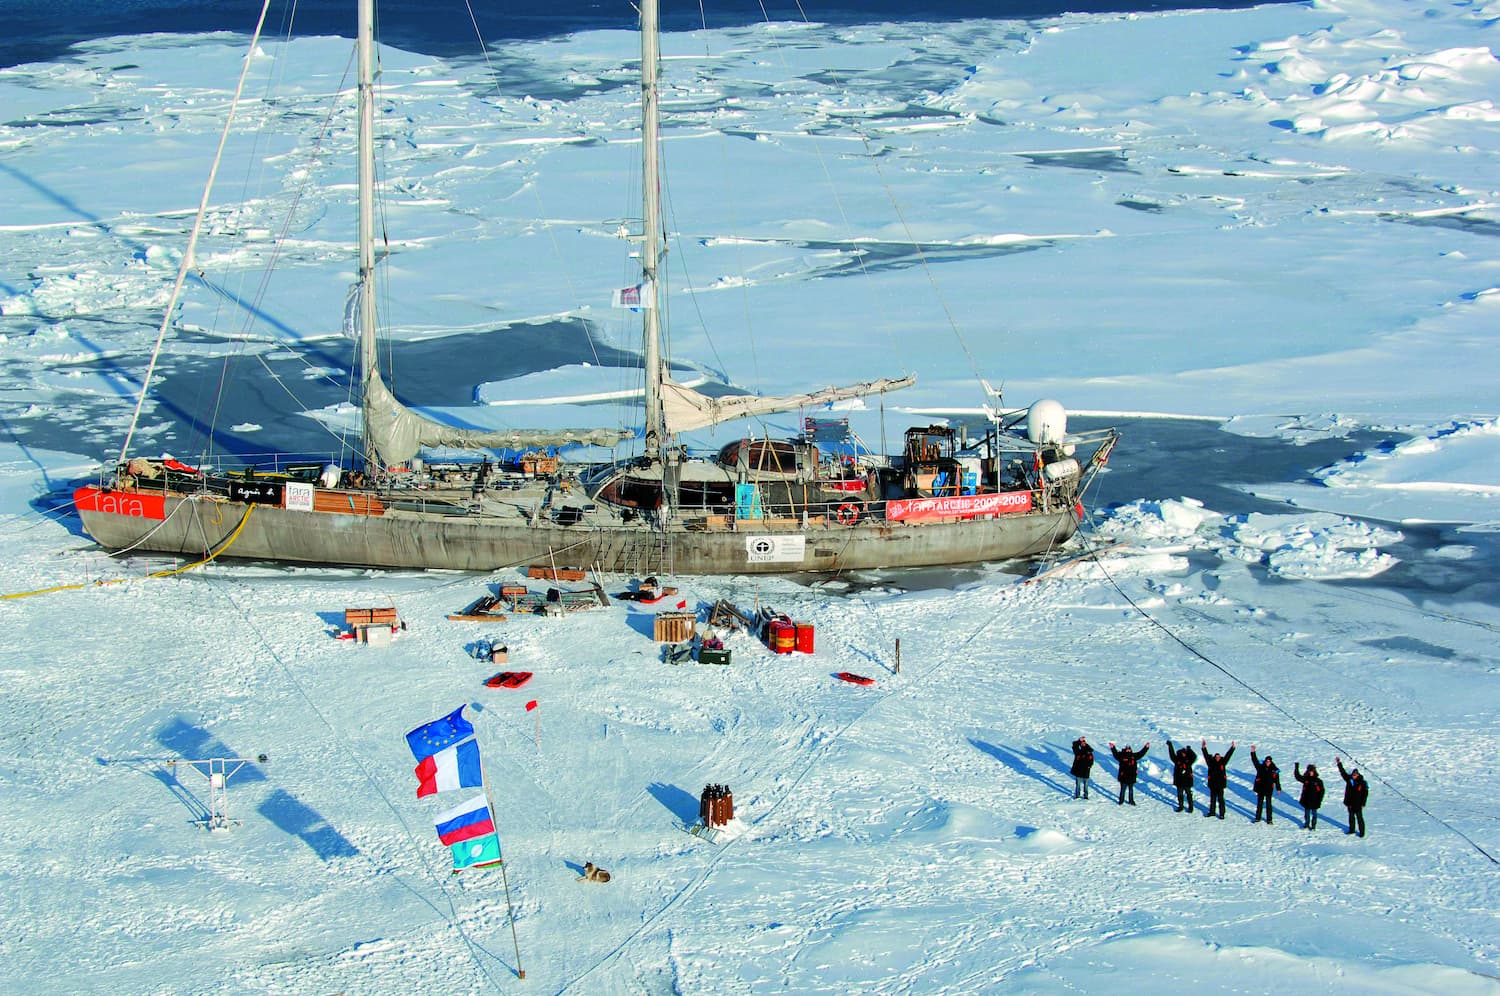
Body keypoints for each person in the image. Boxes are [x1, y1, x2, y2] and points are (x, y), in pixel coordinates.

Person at [1202, 740, 1235, 819]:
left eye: (1219, 757)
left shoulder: (1223, 762)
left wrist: (1232, 748)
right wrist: (1204, 748)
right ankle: (1212, 812)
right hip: (1212, 784)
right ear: (1214, 757)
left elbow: (1228, 755)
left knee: (1221, 799)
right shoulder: (1210, 763)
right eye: (1216, 757)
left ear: (1220, 757)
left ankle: (1222, 814)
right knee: (1212, 799)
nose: (1217, 758)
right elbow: (1206, 756)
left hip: (1220, 785)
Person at [1337, 758, 1369, 837]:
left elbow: (1365, 794)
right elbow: (1343, 772)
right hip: (1350, 803)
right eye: (1353, 775)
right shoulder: (1349, 780)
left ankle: (1362, 833)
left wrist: (1363, 803)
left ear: (1358, 775)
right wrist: (1339, 763)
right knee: (1351, 817)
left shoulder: (1362, 783)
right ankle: (1352, 830)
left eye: (1355, 775)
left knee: (1359, 818)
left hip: (1358, 803)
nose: (1354, 776)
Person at [1250, 746, 1281, 824]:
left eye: (1269, 761)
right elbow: (1255, 761)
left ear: (1271, 762)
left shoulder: (1274, 770)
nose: (1267, 762)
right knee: (1259, 804)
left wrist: (1278, 788)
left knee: (1268, 804)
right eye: (1267, 761)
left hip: (1269, 789)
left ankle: (1269, 820)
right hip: (1260, 788)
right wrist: (1253, 752)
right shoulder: (1260, 767)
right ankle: (1258, 818)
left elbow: (1277, 780)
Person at [1165, 739, 1197, 813]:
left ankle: (1191, 807)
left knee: (1188, 794)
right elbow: (1172, 755)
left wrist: (1189, 749)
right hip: (1179, 781)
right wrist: (1170, 746)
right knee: (1180, 794)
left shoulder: (1189, 761)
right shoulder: (1177, 760)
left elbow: (1194, 756)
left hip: (1187, 781)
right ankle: (1181, 806)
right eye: (1182, 753)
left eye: (1184, 753)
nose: (1183, 754)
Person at [1293, 762, 1325, 830]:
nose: (1311, 773)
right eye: (1309, 771)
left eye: (1312, 771)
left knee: (1314, 814)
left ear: (1314, 772)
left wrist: (1320, 799)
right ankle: (1306, 825)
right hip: (1307, 800)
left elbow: (1322, 791)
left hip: (1315, 800)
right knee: (1307, 814)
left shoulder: (1318, 781)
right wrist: (1296, 767)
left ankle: (1313, 826)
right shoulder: (1306, 779)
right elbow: (1298, 777)